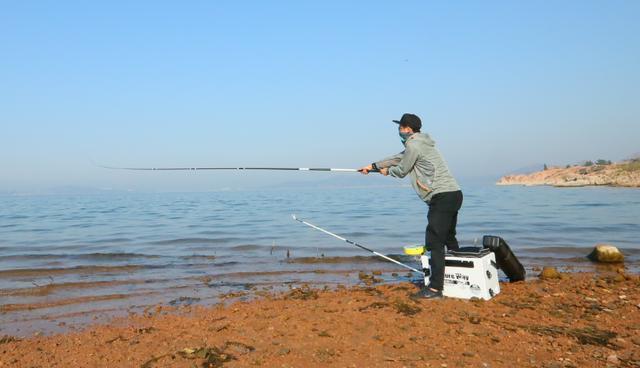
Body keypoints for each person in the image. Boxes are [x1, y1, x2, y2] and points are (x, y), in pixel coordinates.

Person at [360, 113, 462, 299]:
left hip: (442, 196)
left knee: (435, 242)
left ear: (407, 129)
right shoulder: (420, 143)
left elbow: (401, 169)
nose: (398, 131)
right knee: (448, 238)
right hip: (454, 194)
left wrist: (385, 172)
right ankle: (458, 276)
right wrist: (372, 166)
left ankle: (435, 289)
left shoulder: (413, 145)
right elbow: (397, 158)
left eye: (400, 128)